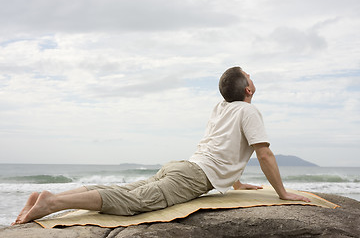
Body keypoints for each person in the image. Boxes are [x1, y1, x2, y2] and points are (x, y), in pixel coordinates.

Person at [13, 66, 310, 225]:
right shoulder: (249, 111)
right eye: (250, 77)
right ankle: (52, 203)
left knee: (127, 190)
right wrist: (283, 194)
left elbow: (221, 147)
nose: (252, 79)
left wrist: (236, 182)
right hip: (193, 176)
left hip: (183, 167)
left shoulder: (221, 108)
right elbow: (264, 153)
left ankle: (50, 196)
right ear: (248, 89)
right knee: (133, 203)